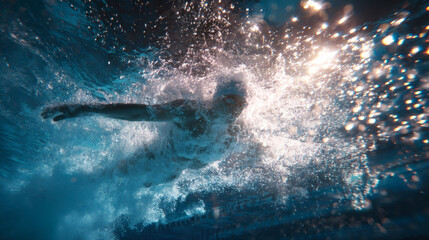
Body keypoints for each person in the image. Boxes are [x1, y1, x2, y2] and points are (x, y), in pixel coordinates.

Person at [41, 79, 247, 184]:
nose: (234, 108)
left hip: (168, 177)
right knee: (105, 179)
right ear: (216, 99)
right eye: (230, 100)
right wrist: (87, 109)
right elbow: (142, 113)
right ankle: (57, 189)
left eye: (240, 104)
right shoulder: (191, 112)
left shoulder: (238, 131)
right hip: (149, 160)